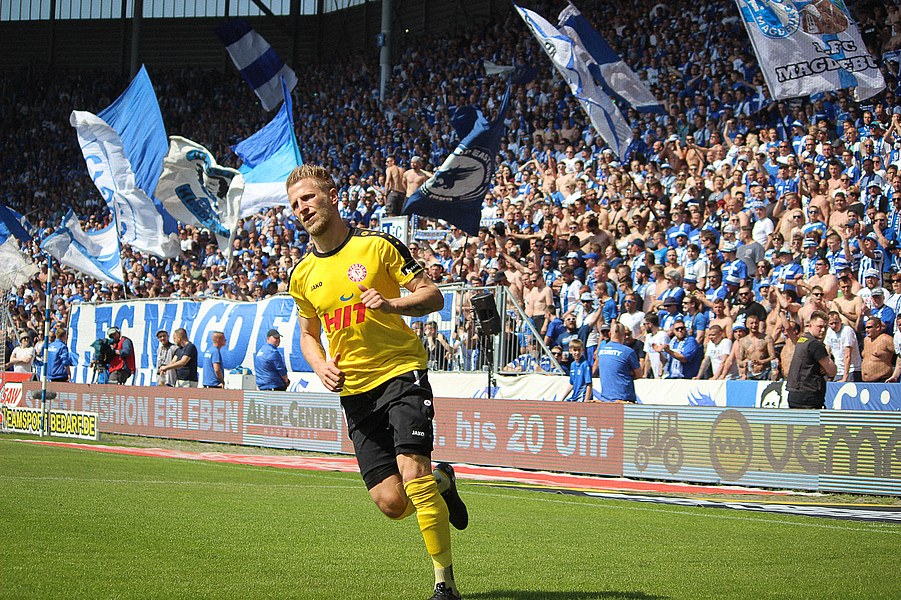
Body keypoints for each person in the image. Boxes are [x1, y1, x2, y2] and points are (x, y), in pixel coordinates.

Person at [286, 165, 467, 600]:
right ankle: (444, 480)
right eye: (294, 204)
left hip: (401, 372)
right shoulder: (302, 274)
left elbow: (433, 296)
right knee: (392, 503)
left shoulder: (377, 246)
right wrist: (319, 366)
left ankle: (444, 585)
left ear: (332, 196)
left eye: (308, 197)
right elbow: (308, 336)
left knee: (414, 474)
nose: (302, 208)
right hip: (354, 391)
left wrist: (391, 304)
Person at [786, 311, 836, 409]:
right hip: (809, 394)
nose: (823, 330)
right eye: (819, 327)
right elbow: (832, 371)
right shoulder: (815, 344)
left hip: (794, 393)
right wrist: (826, 367)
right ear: (810, 326)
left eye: (825, 327)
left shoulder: (802, 340)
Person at [593, 322, 641, 402]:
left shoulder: (601, 351)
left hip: (606, 398)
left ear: (609, 334)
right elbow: (639, 374)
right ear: (624, 335)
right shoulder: (628, 351)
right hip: (624, 398)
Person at [824, 311, 862, 382]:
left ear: (840, 321)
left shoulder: (847, 331)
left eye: (836, 323)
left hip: (851, 370)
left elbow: (847, 355)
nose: (834, 326)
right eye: (831, 324)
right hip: (838, 370)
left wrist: (845, 377)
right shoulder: (829, 331)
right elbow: (827, 350)